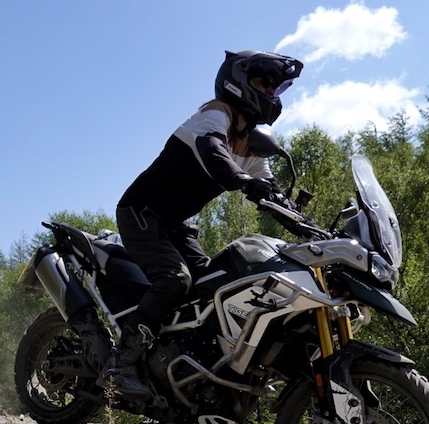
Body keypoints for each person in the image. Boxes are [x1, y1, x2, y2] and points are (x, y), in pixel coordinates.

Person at [100, 50, 303, 402]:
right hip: (141, 211)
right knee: (175, 279)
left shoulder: (249, 144)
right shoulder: (215, 114)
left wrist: (310, 229)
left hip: (173, 224)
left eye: (275, 87)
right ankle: (119, 365)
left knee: (213, 286)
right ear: (238, 81)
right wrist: (242, 180)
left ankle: (178, 365)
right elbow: (212, 150)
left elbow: (275, 196)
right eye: (264, 83)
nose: (271, 92)